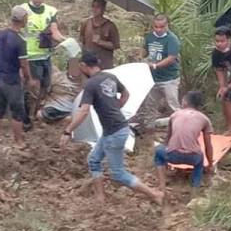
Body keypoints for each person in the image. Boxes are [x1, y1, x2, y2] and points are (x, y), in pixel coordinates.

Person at [60, 51, 164, 205]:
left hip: (114, 132)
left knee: (118, 174)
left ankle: (154, 194)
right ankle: (100, 198)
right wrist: (117, 107)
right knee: (94, 160)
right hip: (115, 129)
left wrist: (68, 131)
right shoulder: (111, 77)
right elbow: (126, 94)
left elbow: (84, 110)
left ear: (83, 65)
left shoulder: (91, 84)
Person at [0, 5, 37, 148]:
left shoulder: (0, 34)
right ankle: (18, 142)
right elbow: (24, 65)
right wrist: (30, 79)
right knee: (17, 111)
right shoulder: (20, 41)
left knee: (0, 108)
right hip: (12, 80)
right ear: (23, 20)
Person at [21, 0, 66, 130]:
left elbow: (55, 31)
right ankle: (27, 117)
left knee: (45, 86)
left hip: (45, 55)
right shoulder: (23, 11)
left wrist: (64, 41)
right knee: (32, 87)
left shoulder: (50, 11)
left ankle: (35, 113)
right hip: (30, 56)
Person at [153, 91, 214, 196]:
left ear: (185, 102)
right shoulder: (204, 119)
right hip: (193, 158)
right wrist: (210, 164)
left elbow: (168, 139)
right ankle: (195, 190)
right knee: (199, 163)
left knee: (158, 153)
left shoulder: (175, 115)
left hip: (172, 155)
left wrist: (168, 153)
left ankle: (162, 186)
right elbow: (208, 145)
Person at [143, 14, 181, 118]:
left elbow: (171, 58)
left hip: (169, 78)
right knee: (150, 105)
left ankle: (179, 125)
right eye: (156, 27)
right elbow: (145, 51)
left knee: (172, 105)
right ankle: (149, 128)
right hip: (153, 78)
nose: (159, 29)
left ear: (167, 25)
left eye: (162, 27)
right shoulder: (149, 37)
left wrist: (155, 65)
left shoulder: (172, 39)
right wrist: (142, 59)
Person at [79, 0, 120, 70]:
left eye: (98, 7)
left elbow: (115, 45)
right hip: (88, 65)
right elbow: (82, 39)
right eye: (93, 6)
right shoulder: (86, 23)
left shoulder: (110, 26)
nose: (94, 9)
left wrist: (100, 42)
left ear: (103, 9)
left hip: (104, 64)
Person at [37, 58, 83, 123]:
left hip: (71, 108)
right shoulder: (58, 77)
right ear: (68, 68)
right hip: (55, 106)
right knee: (40, 115)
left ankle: (62, 120)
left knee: (75, 117)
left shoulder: (84, 81)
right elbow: (46, 90)